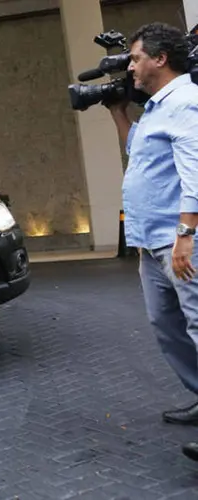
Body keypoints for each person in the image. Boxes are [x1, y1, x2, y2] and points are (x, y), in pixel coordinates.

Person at [106, 22, 198, 424]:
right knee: (167, 326)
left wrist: (186, 234)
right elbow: (135, 150)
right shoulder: (157, 107)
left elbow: (196, 172)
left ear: (160, 59)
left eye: (137, 58)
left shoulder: (186, 102)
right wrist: (117, 112)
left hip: (179, 241)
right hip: (150, 242)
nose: (131, 67)